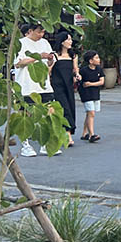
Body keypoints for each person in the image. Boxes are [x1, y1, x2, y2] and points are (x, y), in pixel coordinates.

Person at [13, 23, 56, 157]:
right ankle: (25, 144)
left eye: (43, 32)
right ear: (30, 31)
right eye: (39, 32)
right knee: (25, 115)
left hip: (43, 84)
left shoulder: (45, 43)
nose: (41, 35)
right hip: (26, 86)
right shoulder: (21, 43)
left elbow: (50, 62)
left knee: (47, 112)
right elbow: (18, 63)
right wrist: (38, 56)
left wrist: (49, 60)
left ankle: (44, 143)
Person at [49, 31, 78, 149]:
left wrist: (77, 75)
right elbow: (48, 71)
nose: (70, 42)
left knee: (70, 108)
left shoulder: (73, 55)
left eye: (71, 39)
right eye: (68, 40)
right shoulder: (54, 55)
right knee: (64, 109)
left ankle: (65, 133)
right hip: (57, 86)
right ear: (62, 42)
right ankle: (68, 136)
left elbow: (75, 69)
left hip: (69, 85)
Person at [78, 49, 105, 142]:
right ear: (90, 61)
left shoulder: (99, 69)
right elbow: (79, 81)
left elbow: (102, 82)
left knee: (89, 113)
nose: (99, 59)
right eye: (96, 58)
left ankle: (84, 133)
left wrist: (91, 84)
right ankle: (91, 135)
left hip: (95, 93)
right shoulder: (84, 70)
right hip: (86, 94)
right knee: (91, 113)